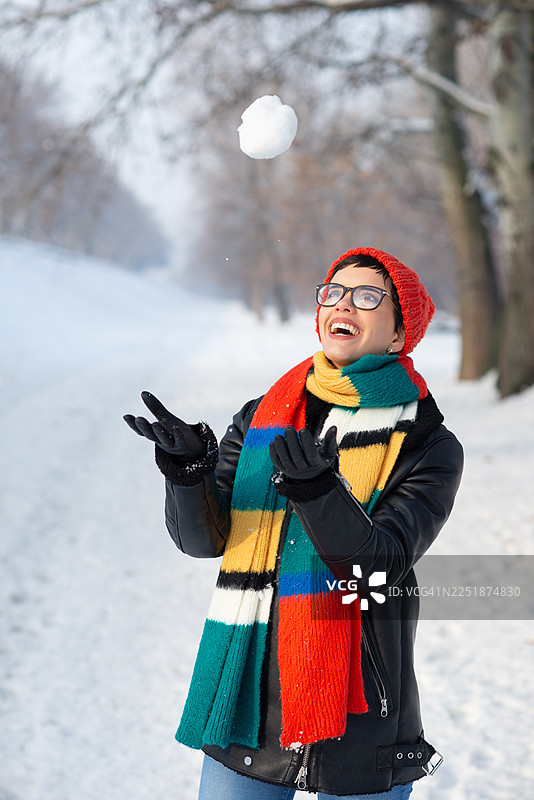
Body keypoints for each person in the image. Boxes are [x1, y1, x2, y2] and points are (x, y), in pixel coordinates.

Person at [124, 247, 463, 800]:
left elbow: (378, 563)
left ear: (401, 333)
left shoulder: (428, 443)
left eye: (368, 296)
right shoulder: (263, 416)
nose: (344, 303)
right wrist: (188, 476)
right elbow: (204, 542)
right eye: (333, 291)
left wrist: (318, 493)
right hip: (251, 694)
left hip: (360, 706)